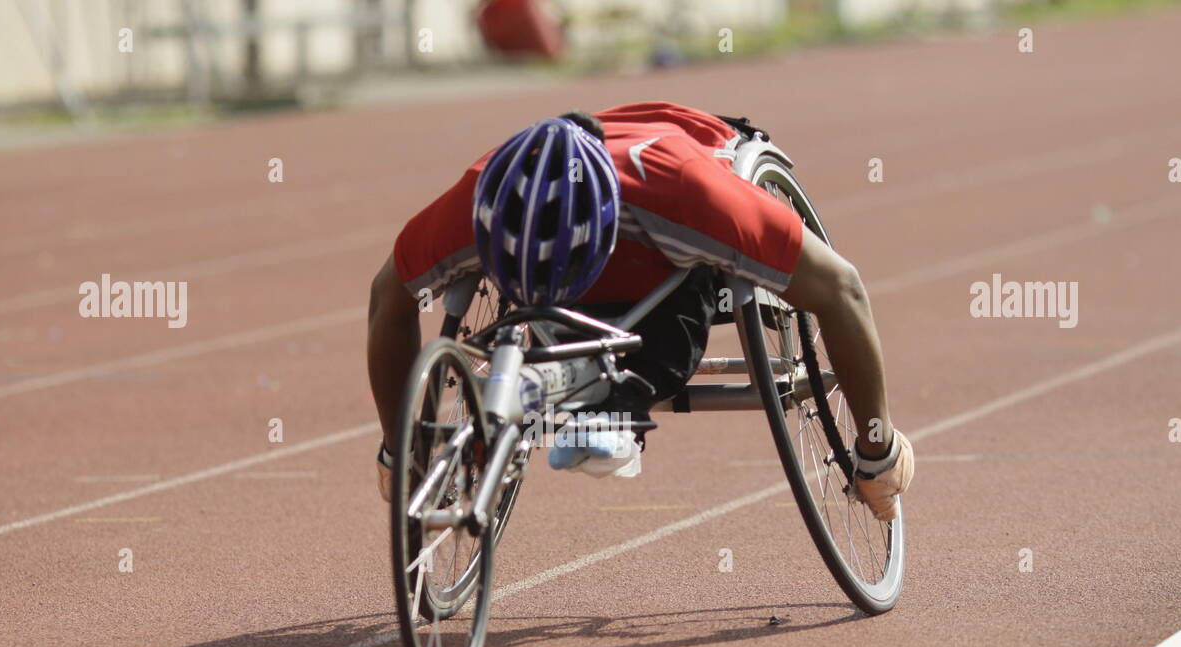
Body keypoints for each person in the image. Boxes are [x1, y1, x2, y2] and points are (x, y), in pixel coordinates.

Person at [367, 102, 913, 520]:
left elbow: (843, 289)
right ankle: (570, 369)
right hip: (566, 188)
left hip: (677, 179)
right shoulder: (473, 200)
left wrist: (875, 452)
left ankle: (619, 396)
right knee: (545, 326)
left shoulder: (690, 195)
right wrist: (403, 449)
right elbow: (388, 302)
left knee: (668, 337)